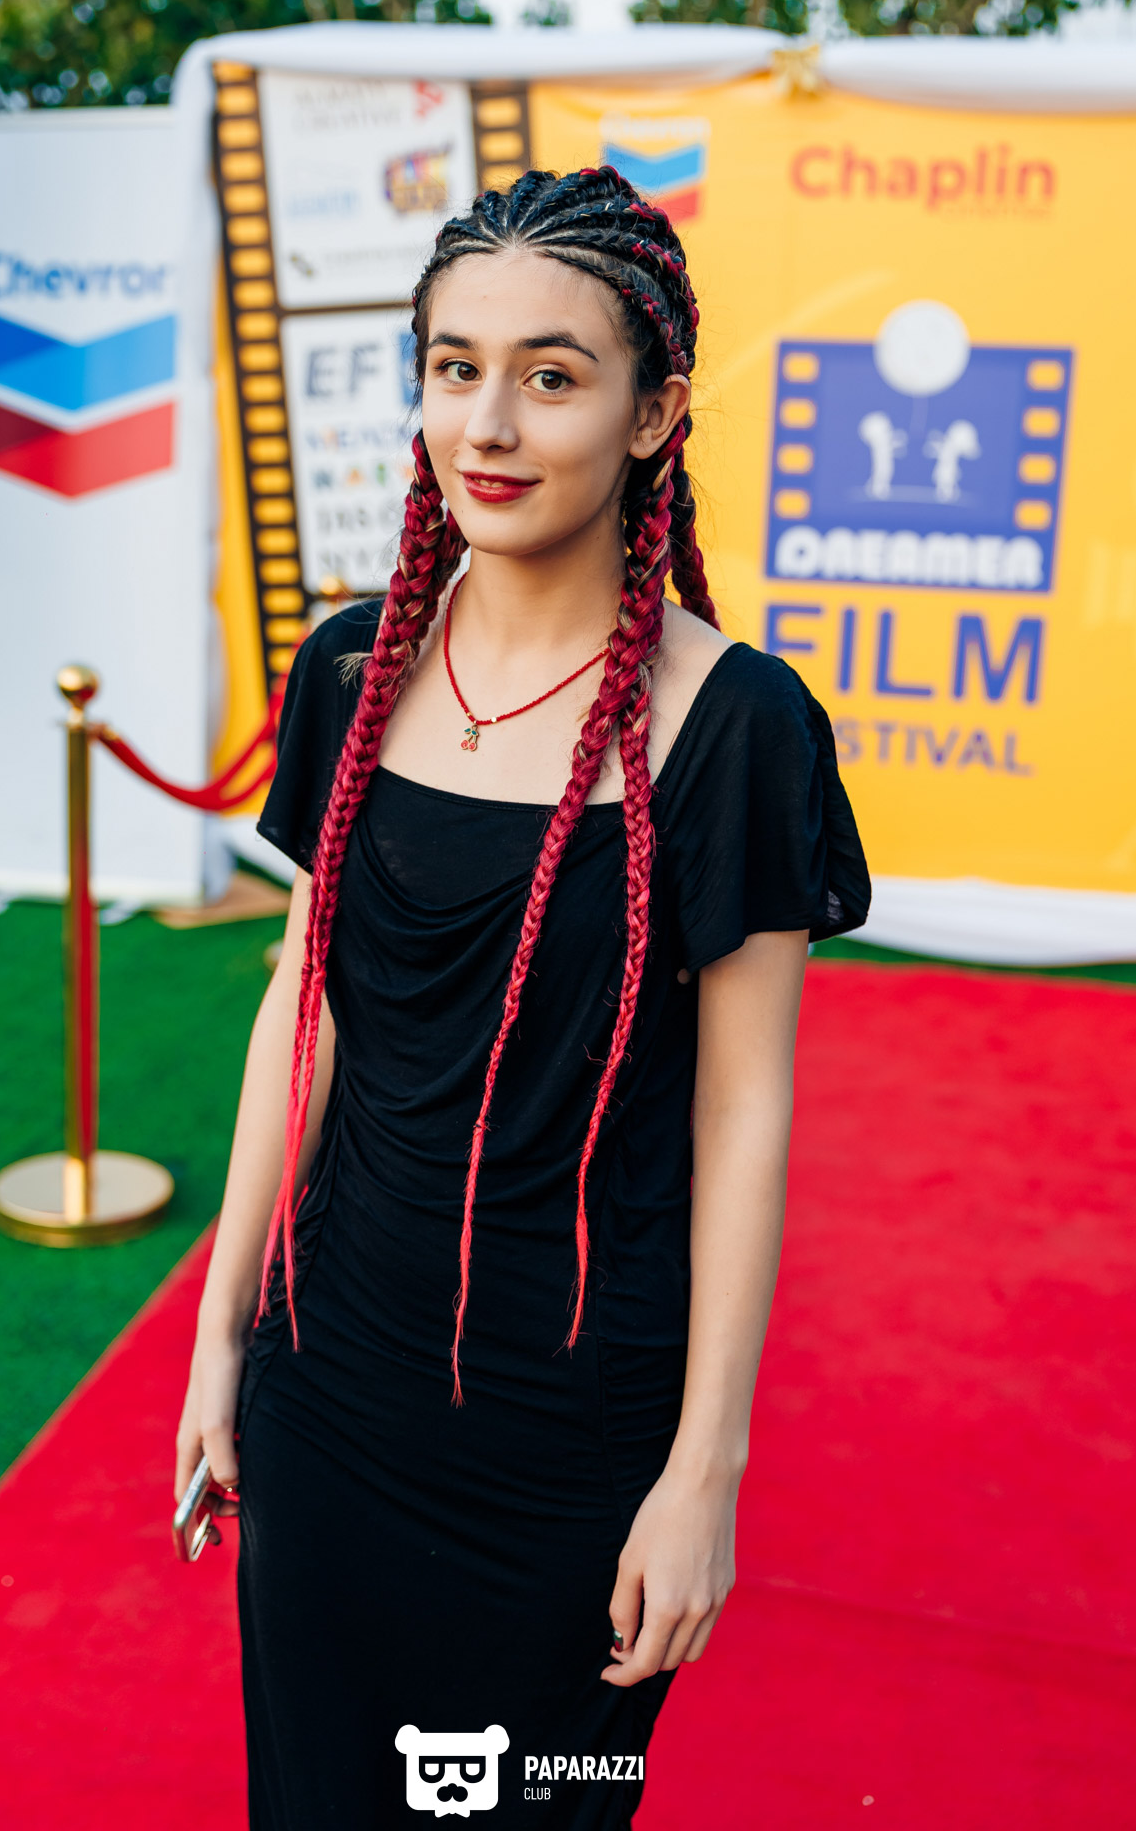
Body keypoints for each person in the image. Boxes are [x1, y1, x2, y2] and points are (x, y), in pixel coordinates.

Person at [175, 165, 869, 1828]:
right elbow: (302, 1014)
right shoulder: (350, 671)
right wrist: (219, 1333)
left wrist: (705, 1469)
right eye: (454, 367)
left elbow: (744, 1111)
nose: (486, 424)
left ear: (655, 413)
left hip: (578, 1444)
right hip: (328, 1396)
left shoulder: (738, 727)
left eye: (552, 377)